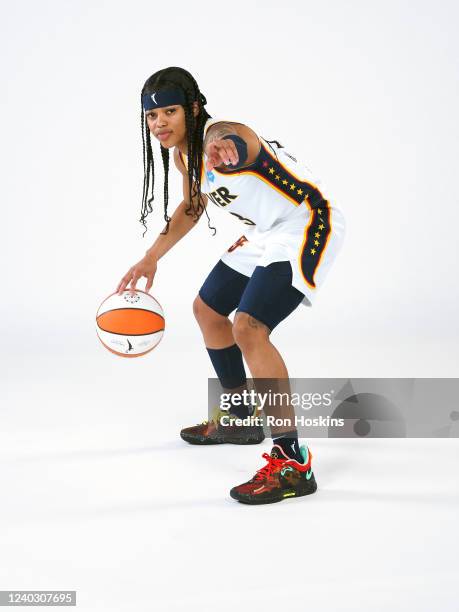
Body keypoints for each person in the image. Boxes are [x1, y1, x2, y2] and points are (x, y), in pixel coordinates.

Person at [117, 66, 345, 505]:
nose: (160, 123)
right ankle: (240, 417)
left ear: (194, 109)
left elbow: (239, 138)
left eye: (170, 111)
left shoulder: (219, 137)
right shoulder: (186, 157)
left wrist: (225, 145)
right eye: (152, 116)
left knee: (250, 326)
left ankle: (292, 461)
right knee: (207, 310)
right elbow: (192, 206)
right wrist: (151, 257)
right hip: (266, 232)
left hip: (306, 222)